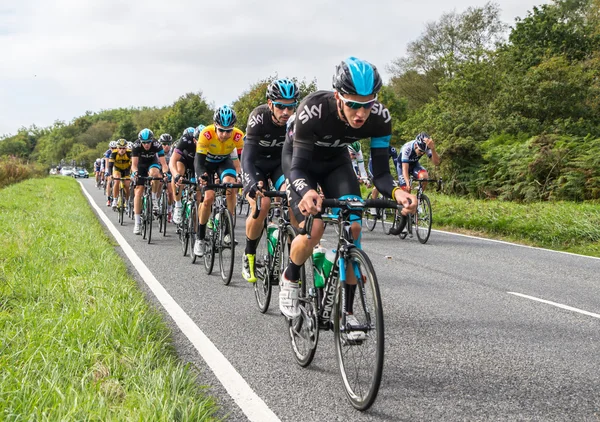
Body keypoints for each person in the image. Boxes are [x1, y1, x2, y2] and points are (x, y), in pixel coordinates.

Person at [280, 57, 417, 326]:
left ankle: (349, 313)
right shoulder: (313, 110)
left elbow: (380, 174)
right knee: (315, 228)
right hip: (301, 163)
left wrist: (398, 193)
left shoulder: (380, 119)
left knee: (353, 229)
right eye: (353, 104)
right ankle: (290, 276)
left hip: (336, 163)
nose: (361, 113)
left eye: (367, 105)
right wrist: (306, 191)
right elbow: (296, 169)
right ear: (338, 96)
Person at [241, 78, 298, 282]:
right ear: (270, 103)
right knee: (262, 204)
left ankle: (293, 264)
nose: (286, 112)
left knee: (293, 199)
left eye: (290, 107)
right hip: (255, 164)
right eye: (281, 106)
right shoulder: (259, 117)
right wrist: (251, 184)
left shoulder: (296, 121)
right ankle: (248, 255)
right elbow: (246, 157)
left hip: (278, 165)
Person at [193, 106, 244, 257]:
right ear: (215, 126)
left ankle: (228, 231)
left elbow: (243, 160)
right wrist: (202, 175)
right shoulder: (206, 134)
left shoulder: (238, 136)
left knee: (231, 185)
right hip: (206, 164)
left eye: (228, 130)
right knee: (208, 197)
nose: (224, 134)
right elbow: (199, 162)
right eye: (221, 130)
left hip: (224, 162)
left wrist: (244, 176)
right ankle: (200, 237)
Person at [130, 128, 169, 235]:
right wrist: (135, 173)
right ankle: (137, 223)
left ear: (152, 140)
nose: (146, 145)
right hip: (140, 165)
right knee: (138, 191)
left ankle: (153, 197)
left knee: (155, 174)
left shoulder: (157, 145)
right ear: (140, 141)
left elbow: (164, 164)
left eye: (148, 142)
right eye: (144, 143)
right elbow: (134, 165)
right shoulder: (136, 146)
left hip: (153, 163)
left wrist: (165, 173)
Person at [171, 127, 199, 225]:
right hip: (184, 159)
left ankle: (197, 233)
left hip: (196, 163)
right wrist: (176, 175)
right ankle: (178, 205)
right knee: (179, 172)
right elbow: (173, 161)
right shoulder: (185, 139)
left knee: (199, 196)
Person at [109, 139, 132, 209]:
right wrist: (110, 175)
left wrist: (133, 174)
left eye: (124, 148)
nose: (122, 150)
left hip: (126, 170)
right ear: (117, 148)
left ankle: (127, 201)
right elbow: (110, 166)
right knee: (117, 181)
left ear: (126, 148)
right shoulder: (114, 153)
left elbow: (133, 164)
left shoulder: (130, 153)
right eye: (120, 148)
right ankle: (115, 200)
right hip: (117, 169)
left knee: (127, 185)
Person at [158, 133, 175, 222]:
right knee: (159, 183)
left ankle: (169, 210)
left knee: (170, 192)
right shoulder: (157, 152)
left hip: (169, 171)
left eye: (168, 144)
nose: (166, 146)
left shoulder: (173, 151)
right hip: (160, 170)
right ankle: (156, 202)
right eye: (164, 144)